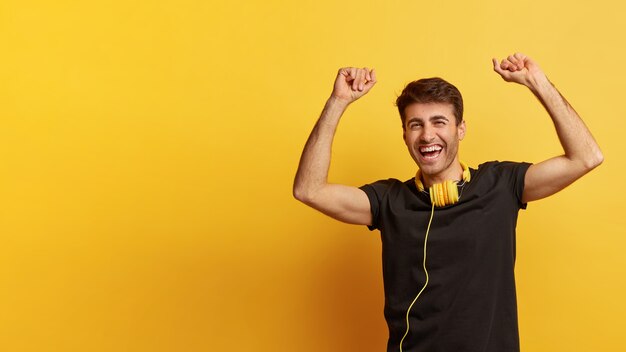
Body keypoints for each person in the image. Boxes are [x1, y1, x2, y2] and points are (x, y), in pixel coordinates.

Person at [292, 53, 603, 352]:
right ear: (404, 135)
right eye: (416, 125)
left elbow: (586, 156)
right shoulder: (388, 201)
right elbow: (309, 189)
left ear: (461, 129)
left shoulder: (501, 185)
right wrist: (337, 103)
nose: (427, 135)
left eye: (439, 122)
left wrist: (538, 82)